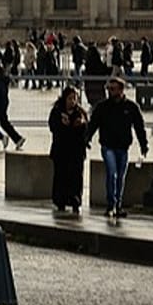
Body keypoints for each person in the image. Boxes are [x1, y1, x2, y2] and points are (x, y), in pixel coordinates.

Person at [86, 77, 148, 219]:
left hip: (123, 147)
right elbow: (93, 124)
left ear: (121, 90)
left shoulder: (131, 107)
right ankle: (111, 205)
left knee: (120, 176)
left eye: (113, 89)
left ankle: (118, 205)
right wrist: (87, 139)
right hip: (108, 146)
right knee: (112, 173)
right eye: (108, 89)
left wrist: (143, 145)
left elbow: (139, 127)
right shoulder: (102, 107)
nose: (110, 92)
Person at [48, 85, 88, 215]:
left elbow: (87, 130)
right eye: (70, 98)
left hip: (76, 150)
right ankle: (60, 200)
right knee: (61, 176)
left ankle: (75, 200)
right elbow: (53, 126)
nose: (72, 101)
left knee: (76, 176)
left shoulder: (80, 113)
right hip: (61, 149)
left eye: (74, 98)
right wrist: (61, 124)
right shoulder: (57, 111)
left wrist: (81, 125)